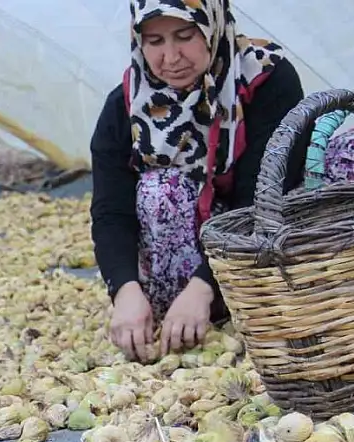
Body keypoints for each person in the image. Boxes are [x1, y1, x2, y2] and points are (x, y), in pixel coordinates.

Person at [90, 0, 308, 362]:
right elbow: (111, 210)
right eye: (154, 41)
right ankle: (184, 308)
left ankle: (232, 298)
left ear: (212, 25)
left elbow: (266, 196)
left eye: (185, 36)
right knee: (161, 190)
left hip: (266, 234)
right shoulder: (127, 103)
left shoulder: (266, 77)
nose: (171, 57)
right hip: (185, 259)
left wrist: (205, 285)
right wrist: (124, 289)